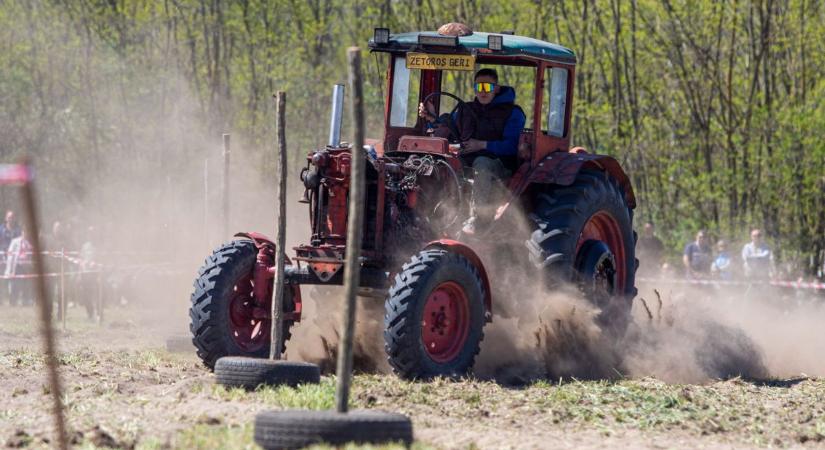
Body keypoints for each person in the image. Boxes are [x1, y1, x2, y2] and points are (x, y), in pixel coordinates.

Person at [419, 68, 526, 234]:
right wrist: (432, 119)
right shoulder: (465, 109)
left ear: (496, 88)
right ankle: (436, 214)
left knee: (481, 163)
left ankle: (479, 218)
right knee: (442, 163)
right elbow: (448, 128)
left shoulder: (513, 113)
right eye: (479, 87)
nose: (482, 92)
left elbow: (512, 146)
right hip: (468, 159)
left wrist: (482, 145)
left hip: (499, 165)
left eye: (488, 87)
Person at [5, 229, 32, 306]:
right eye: (24, 232)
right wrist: (10, 267)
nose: (25, 234)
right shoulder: (15, 241)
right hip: (16, 265)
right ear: (22, 232)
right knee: (14, 285)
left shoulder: (28, 243)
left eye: (27, 232)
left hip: (25, 266)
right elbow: (10, 253)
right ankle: (13, 302)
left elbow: (30, 254)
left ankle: (25, 301)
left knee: (25, 285)